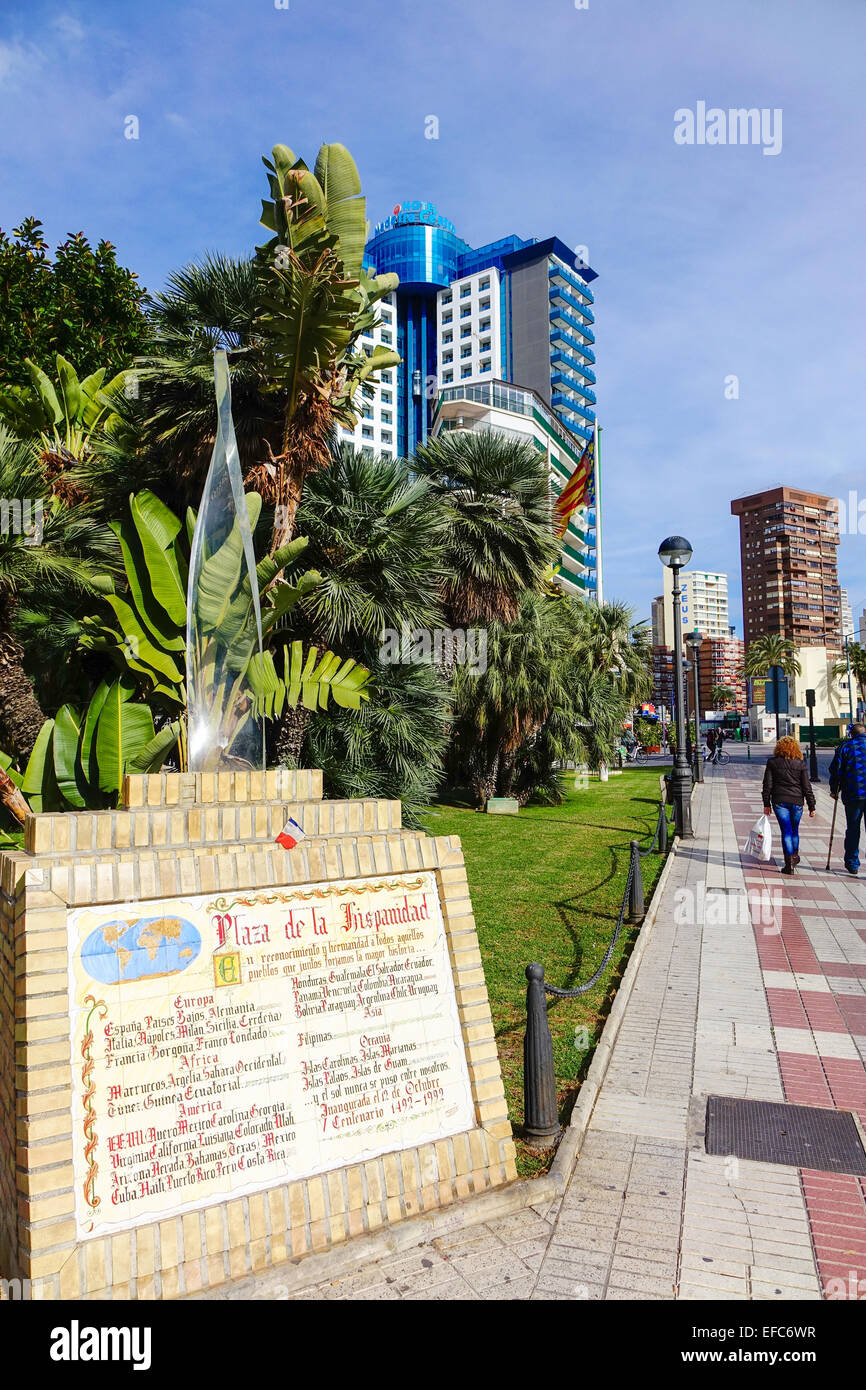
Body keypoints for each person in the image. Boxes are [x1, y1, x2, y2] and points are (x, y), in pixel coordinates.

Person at [762, 736, 816, 875]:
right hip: (797, 801)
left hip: (779, 801)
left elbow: (767, 785)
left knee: (786, 831)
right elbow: (806, 786)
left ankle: (789, 865)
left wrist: (766, 803)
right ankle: (794, 857)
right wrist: (812, 805)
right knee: (794, 830)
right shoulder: (800, 763)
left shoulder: (772, 762)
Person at [828, 722, 866, 875]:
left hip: (852, 794)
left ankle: (852, 863)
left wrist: (834, 790)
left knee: (853, 828)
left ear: (852, 734)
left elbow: (835, 770)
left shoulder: (845, 747)